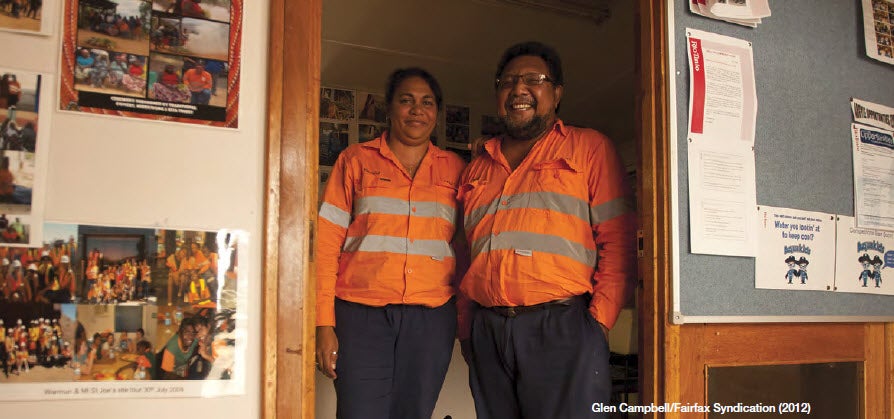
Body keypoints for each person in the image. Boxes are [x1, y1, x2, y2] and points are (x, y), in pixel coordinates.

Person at [456, 41, 636, 419]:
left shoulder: (590, 149)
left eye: (534, 79)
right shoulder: (477, 168)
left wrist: (598, 323)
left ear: (556, 94)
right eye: (508, 80)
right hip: (488, 330)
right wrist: (467, 328)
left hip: (563, 327)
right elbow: (463, 252)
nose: (519, 88)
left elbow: (618, 242)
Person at [315, 67, 465, 419]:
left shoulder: (457, 170)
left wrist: (465, 320)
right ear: (389, 108)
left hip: (430, 321)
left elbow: (464, 247)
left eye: (427, 102)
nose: (417, 110)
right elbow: (325, 244)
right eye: (406, 100)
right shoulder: (355, 161)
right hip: (360, 317)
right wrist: (324, 324)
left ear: (437, 113)